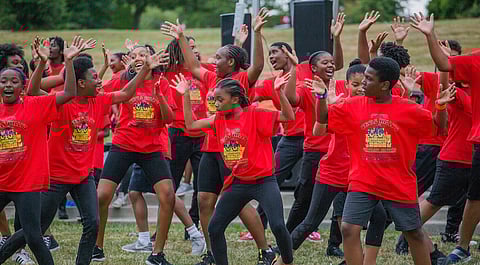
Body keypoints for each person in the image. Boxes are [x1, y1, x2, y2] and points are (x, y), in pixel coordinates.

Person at [316, 56, 451, 265]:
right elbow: (323, 118)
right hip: (363, 180)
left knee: (414, 233)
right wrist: (321, 96)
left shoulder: (409, 109)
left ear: (385, 85)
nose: (363, 83)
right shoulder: (353, 106)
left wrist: (440, 108)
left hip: (398, 183)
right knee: (348, 229)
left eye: (369, 79)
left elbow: (438, 127)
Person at [172, 74, 294, 265]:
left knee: (278, 225)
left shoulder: (255, 114)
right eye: (214, 99)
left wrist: (279, 92)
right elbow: (191, 125)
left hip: (263, 181)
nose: (216, 104)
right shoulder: (218, 120)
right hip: (237, 183)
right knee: (215, 228)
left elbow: (288, 116)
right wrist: (185, 95)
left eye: (220, 99)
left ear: (235, 99)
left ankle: (286, 261)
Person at [291, 59, 387, 265]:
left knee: (379, 216)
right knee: (310, 222)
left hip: (357, 177)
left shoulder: (373, 108)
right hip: (332, 174)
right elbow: (318, 130)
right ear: (347, 85)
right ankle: (281, 257)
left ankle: (365, 262)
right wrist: (325, 100)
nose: (360, 88)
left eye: (364, 84)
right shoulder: (342, 105)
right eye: (355, 84)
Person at [94, 44, 178, 265]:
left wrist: (159, 97)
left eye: (144, 54)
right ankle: (97, 247)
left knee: (168, 194)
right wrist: (105, 68)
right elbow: (100, 93)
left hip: (151, 148)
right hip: (124, 143)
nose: (139, 58)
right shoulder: (124, 78)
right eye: (135, 55)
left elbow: (169, 119)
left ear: (152, 59)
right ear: (129, 59)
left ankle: (157, 253)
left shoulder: (163, 82)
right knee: (102, 196)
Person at [0, 35, 78, 265]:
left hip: (27, 183)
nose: (8, 85)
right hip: (2, 180)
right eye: (4, 81)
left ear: (23, 86)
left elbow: (69, 94)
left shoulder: (35, 106)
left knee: (33, 236)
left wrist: (69, 61)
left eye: (14, 81)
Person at [410, 12, 480, 264]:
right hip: (448, 153)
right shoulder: (462, 88)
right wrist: (430, 35)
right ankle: (413, 235)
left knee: (454, 200)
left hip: (458, 154)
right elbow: (443, 69)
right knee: (442, 199)